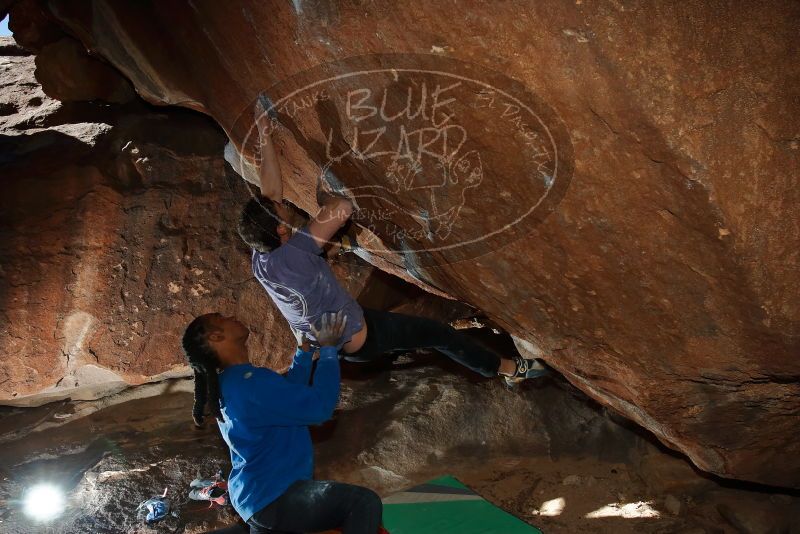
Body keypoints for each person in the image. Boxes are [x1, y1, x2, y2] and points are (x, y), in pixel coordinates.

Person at [238, 96, 548, 387]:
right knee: (438, 335)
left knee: (326, 257)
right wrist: (327, 196)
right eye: (281, 211)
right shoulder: (298, 249)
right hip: (361, 336)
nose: (285, 205)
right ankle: (511, 369)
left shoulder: (262, 254)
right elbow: (342, 209)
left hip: (330, 335)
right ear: (280, 231)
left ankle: (341, 248)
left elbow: (270, 192)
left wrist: (265, 133)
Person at [183, 310, 384, 534]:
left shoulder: (232, 382)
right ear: (215, 337)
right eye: (222, 318)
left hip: (257, 497)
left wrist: (303, 352)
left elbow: (286, 399)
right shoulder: (250, 384)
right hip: (276, 497)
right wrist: (328, 350)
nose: (231, 316)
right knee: (362, 502)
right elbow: (319, 408)